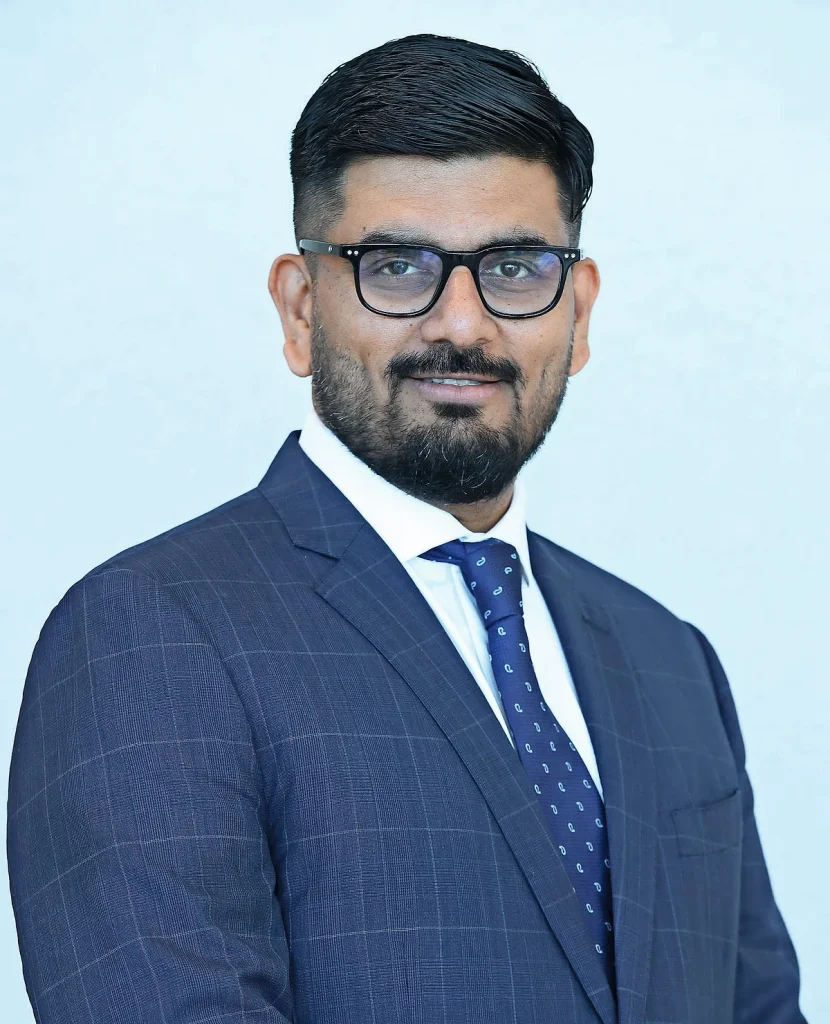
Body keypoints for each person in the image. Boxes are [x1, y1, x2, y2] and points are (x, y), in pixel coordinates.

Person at [7, 32, 806, 1024]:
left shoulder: (669, 659)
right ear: (301, 309)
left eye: (514, 267)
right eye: (395, 266)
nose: (462, 324)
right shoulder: (149, 636)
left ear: (578, 310)